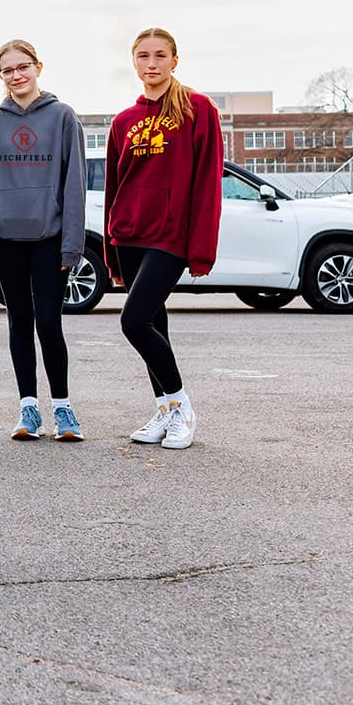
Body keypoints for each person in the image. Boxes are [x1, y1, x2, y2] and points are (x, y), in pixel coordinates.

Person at [106, 27, 222, 450]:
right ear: (133, 62)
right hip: (130, 234)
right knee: (155, 321)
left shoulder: (198, 109)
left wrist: (201, 246)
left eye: (159, 56)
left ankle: (182, 406)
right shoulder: (123, 121)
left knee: (133, 321)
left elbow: (208, 180)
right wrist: (111, 252)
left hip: (170, 235)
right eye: (142, 56)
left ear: (175, 60)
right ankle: (164, 410)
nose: (150, 63)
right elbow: (116, 188)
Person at [0, 39, 87, 441]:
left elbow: (74, 187)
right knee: (19, 321)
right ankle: (28, 409)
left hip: (50, 238)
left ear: (38, 67)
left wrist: (72, 245)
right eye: (8, 70)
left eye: (23, 67)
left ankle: (64, 410)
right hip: (6, 240)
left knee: (50, 322)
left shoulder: (63, 118)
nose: (17, 75)